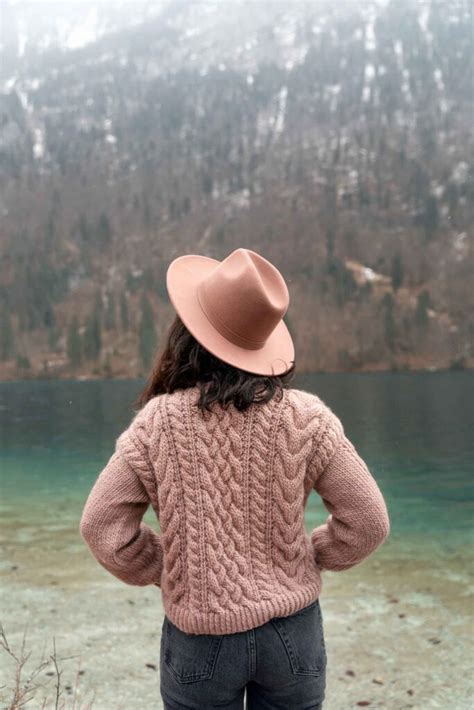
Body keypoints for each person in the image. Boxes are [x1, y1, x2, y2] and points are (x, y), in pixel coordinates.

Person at [79, 247, 390, 709]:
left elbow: (102, 528)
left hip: (201, 639)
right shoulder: (307, 417)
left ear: (186, 335)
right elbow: (368, 522)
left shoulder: (157, 422)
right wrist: (308, 555)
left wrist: (171, 567)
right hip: (293, 635)